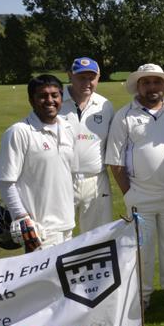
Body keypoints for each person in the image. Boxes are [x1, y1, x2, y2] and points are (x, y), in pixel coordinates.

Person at [0, 74, 75, 326]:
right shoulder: (19, 132)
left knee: (60, 290)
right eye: (43, 96)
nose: (50, 100)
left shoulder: (66, 127)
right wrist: (23, 219)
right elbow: (6, 180)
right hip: (39, 227)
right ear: (32, 99)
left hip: (66, 223)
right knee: (35, 296)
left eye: (55, 95)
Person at [106, 64, 164, 311]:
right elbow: (115, 161)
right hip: (140, 195)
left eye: (156, 82)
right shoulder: (125, 115)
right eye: (146, 83)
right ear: (138, 86)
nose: (152, 87)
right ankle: (142, 295)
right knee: (142, 249)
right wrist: (129, 193)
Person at [60, 57, 114, 233]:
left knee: (96, 239)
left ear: (98, 77)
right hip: (61, 180)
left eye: (91, 77)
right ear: (70, 76)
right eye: (81, 77)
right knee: (59, 236)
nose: (87, 82)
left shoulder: (105, 106)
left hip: (96, 180)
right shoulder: (56, 101)